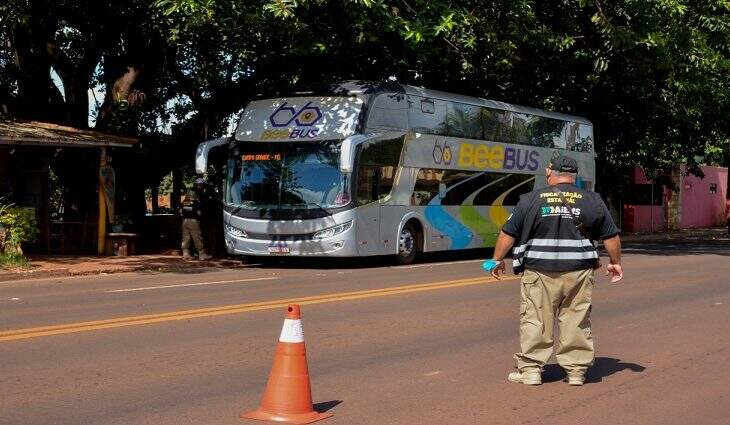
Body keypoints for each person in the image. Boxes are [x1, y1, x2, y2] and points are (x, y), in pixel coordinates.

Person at [489, 155, 624, 386]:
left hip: (539, 271)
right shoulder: (593, 200)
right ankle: (576, 371)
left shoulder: (530, 199)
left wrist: (496, 260)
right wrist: (615, 262)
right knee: (576, 318)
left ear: (550, 172)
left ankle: (531, 370)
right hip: (578, 271)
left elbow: (508, 233)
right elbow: (610, 235)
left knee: (535, 319)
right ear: (574, 176)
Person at [180, 179, 212, 261]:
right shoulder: (195, 202)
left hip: (184, 221)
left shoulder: (184, 202)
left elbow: (180, 211)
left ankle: (186, 254)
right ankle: (201, 254)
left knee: (186, 238)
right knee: (197, 237)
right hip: (193, 221)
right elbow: (199, 213)